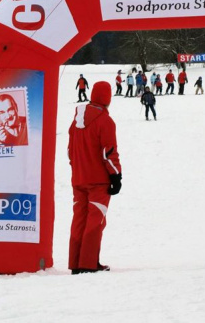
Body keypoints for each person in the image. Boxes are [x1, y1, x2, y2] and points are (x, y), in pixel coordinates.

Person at [68, 81, 122, 275]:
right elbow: (109, 152)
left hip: (78, 179)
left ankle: (75, 262)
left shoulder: (76, 122)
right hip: (99, 181)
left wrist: (77, 169)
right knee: (95, 221)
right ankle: (89, 264)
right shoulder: (105, 121)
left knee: (79, 220)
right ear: (107, 98)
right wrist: (116, 176)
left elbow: (70, 151)